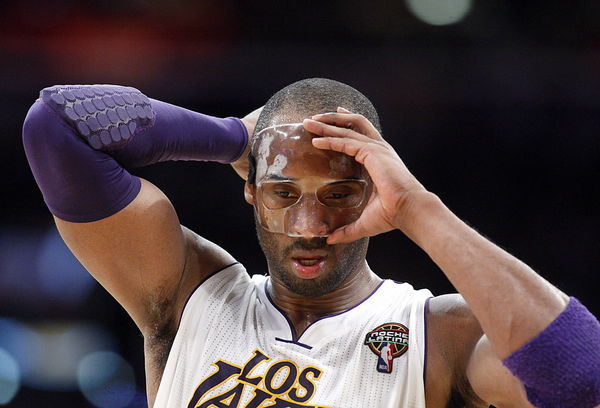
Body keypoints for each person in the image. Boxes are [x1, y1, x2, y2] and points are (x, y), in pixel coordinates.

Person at [23, 78, 598, 408]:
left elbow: (583, 376)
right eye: (283, 191)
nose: (307, 225)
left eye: (338, 193)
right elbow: (60, 127)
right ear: (250, 190)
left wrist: (418, 209)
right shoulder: (188, 295)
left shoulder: (436, 335)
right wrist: (235, 137)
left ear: (375, 192)